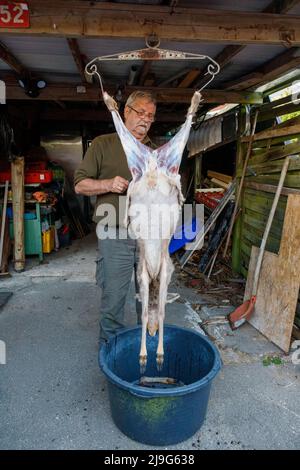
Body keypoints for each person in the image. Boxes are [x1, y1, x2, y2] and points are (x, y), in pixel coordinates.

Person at [74, 91, 156, 345]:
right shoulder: (104, 144)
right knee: (114, 301)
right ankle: (110, 359)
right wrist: (108, 183)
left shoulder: (153, 151)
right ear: (126, 112)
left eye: (151, 116)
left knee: (149, 302)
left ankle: (149, 352)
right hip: (115, 234)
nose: (145, 119)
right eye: (140, 112)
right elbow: (79, 185)